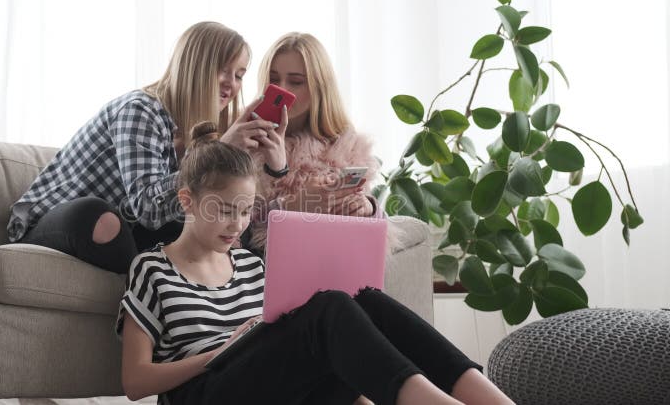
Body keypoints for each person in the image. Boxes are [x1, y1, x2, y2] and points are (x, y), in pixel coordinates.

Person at [117, 121, 514, 405]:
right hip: (203, 392)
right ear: (187, 201)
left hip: (271, 387)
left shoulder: (252, 267)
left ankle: (491, 399)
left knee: (366, 300)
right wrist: (220, 353)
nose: (236, 225)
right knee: (330, 306)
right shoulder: (153, 269)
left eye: (244, 212)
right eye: (223, 210)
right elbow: (135, 382)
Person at [5, 21, 285, 274]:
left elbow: (213, 213)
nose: (232, 84)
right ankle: (157, 286)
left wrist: (275, 167)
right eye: (222, 70)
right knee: (98, 216)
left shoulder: (203, 130)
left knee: (211, 236)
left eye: (239, 75)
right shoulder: (140, 110)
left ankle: (195, 296)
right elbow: (148, 208)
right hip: (57, 223)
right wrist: (215, 155)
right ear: (194, 67)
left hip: (129, 229)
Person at [246, 32, 381, 252]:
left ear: (319, 87)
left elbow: (374, 239)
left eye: (296, 81)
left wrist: (368, 209)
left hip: (337, 265)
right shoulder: (249, 144)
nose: (282, 89)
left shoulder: (348, 148)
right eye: (273, 79)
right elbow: (237, 233)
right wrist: (291, 207)